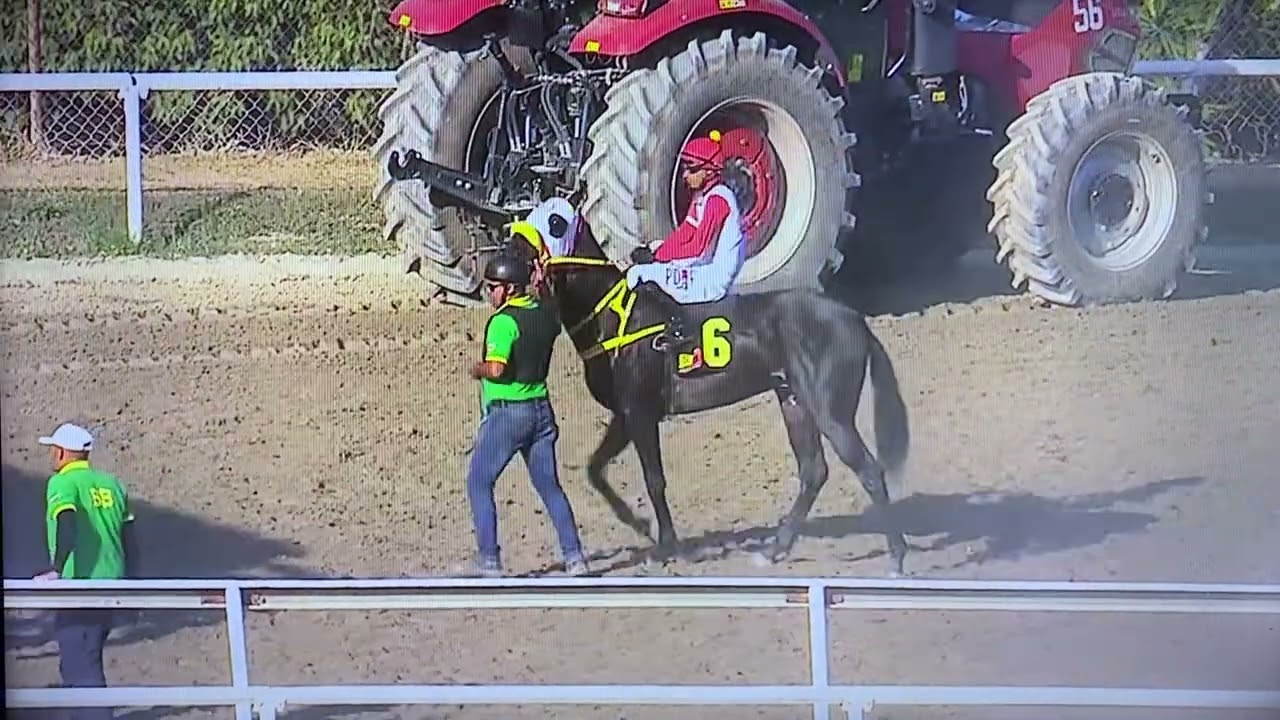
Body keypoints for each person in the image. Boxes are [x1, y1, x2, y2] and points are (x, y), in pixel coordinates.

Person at [465, 251, 589, 578]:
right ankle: (575, 557)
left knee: (479, 482)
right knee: (550, 487)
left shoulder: (503, 322)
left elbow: (497, 368)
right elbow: (548, 308)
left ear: (508, 288)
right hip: (541, 411)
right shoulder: (547, 316)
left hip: (509, 414)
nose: (489, 293)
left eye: (493, 286)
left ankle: (490, 561)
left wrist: (476, 369)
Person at [34, 422, 137, 720]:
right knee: (84, 657)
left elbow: (66, 522)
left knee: (81, 663)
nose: (52, 455)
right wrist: (135, 587)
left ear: (63, 453)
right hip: (114, 584)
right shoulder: (113, 484)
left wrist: (56, 569)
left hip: (80, 585)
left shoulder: (62, 484)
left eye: (53, 449)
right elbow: (130, 539)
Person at [624, 130, 749, 346]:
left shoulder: (718, 200)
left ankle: (681, 327)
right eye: (684, 169)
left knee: (640, 274)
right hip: (704, 264)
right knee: (655, 250)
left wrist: (657, 261)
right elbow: (685, 233)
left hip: (713, 277)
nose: (685, 175)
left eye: (691, 170)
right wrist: (656, 252)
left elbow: (697, 249)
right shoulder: (702, 195)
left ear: (709, 171)